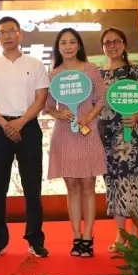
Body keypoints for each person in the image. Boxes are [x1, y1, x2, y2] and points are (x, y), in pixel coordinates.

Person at [0, 16, 49, 258]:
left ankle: (35, 239)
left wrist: (20, 122)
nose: (7, 35)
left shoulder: (35, 64)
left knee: (32, 187)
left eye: (11, 31)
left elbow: (41, 99)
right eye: (2, 32)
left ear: (20, 34)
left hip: (28, 127)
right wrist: (5, 124)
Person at [44, 28, 107, 258]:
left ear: (79, 45)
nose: (68, 46)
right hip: (64, 134)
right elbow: (48, 106)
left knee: (88, 185)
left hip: (87, 132)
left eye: (72, 42)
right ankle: (76, 235)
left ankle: (88, 236)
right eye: (63, 43)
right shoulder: (53, 74)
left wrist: (88, 116)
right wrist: (58, 114)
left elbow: (101, 99)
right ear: (58, 48)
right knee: (71, 187)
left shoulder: (91, 70)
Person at [99, 27, 138, 251]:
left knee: (135, 183)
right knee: (114, 183)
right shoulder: (98, 74)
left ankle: (135, 236)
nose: (112, 46)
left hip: (133, 136)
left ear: (124, 44)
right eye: (108, 42)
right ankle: (120, 236)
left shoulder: (136, 70)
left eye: (117, 41)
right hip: (107, 137)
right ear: (102, 47)